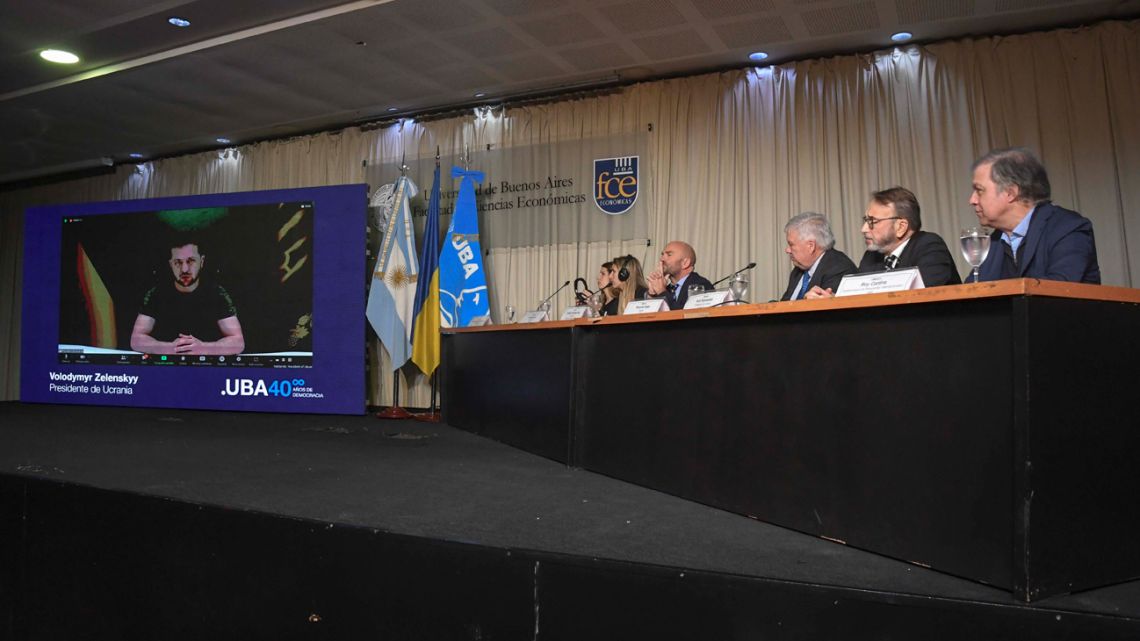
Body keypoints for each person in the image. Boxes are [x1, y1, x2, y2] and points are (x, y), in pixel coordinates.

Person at [968, 147, 1100, 283]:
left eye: (979, 190)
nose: (972, 200)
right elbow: (971, 293)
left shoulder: (1067, 229)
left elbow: (1057, 291)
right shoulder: (994, 241)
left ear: (1010, 193)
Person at [130, 239, 245, 355]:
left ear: (202, 261)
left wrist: (204, 348)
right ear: (171, 264)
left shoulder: (216, 293)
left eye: (190, 261)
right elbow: (136, 340)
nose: (184, 269)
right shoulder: (156, 293)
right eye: (178, 262)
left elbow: (238, 342)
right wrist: (169, 348)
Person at [857, 187, 960, 286]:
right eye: (866, 220)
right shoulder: (871, 256)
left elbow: (921, 296)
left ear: (901, 227)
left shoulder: (929, 246)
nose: (864, 229)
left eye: (872, 221)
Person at [779, 212, 856, 301]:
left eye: (791, 244)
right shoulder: (797, 271)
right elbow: (785, 305)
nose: (787, 250)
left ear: (811, 246)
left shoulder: (838, 268)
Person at [646, 241, 714, 310]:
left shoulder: (701, 286)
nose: (662, 259)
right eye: (662, 254)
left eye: (669, 255)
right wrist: (652, 294)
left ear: (685, 263)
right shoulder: (667, 288)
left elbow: (685, 316)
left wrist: (662, 292)